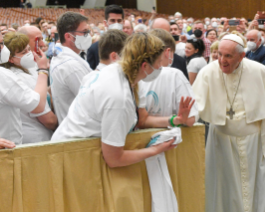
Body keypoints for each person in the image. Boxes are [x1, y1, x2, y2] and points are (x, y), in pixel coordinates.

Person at [51, 33, 184, 168]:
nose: (161, 67)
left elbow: (141, 120)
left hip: (75, 149)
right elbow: (114, 159)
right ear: (145, 66)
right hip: (73, 155)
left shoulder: (122, 73)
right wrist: (155, 150)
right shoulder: (118, 97)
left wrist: (175, 119)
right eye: (159, 62)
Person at [192, 34, 265, 212]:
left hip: (254, 142)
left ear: (242, 56)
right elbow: (194, 107)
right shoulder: (208, 72)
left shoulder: (259, 71)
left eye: (228, 56)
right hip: (221, 143)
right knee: (224, 188)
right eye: (219, 54)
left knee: (257, 184)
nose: (222, 60)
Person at [0, 24, 49, 144]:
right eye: (1, 44)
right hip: (4, 145)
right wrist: (43, 70)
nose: (4, 49)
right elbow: (38, 105)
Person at [3, 32, 58, 144]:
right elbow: (47, 119)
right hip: (36, 136)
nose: (29, 53)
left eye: (29, 49)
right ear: (10, 59)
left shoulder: (28, 68)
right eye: (24, 52)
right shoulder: (20, 78)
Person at [138, 29, 198, 128]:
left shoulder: (138, 73)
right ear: (168, 52)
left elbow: (141, 120)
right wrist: (176, 119)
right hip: (170, 138)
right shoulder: (175, 75)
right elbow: (190, 119)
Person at [50, 12, 93, 124]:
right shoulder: (71, 66)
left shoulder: (62, 56)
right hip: (81, 128)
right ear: (68, 36)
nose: (88, 35)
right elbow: (92, 101)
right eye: (84, 32)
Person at [87, 4, 124, 70]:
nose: (116, 24)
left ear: (123, 22)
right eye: (112, 20)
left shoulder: (130, 45)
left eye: (119, 21)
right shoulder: (94, 48)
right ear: (105, 23)